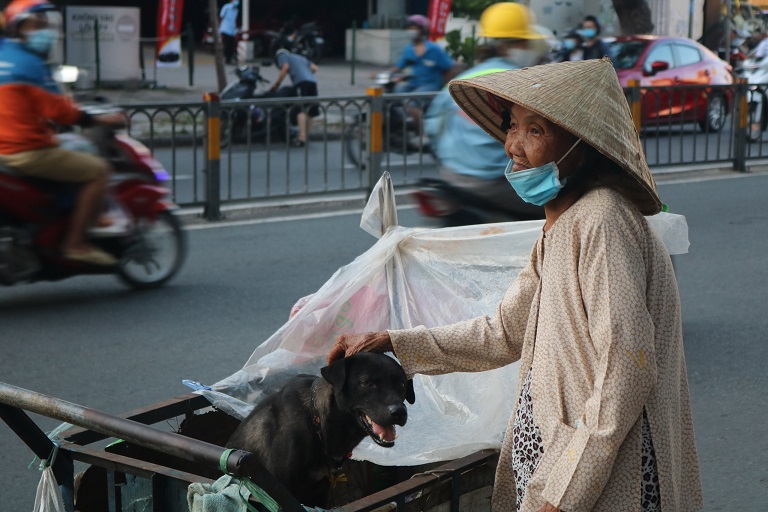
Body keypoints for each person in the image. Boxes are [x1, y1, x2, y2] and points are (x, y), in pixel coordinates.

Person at [329, 58, 703, 512]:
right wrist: (392, 341)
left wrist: (563, 497)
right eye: (512, 126)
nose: (513, 145)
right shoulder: (560, 229)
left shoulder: (602, 222)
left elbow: (627, 371)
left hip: (597, 482)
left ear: (582, 145)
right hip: (559, 467)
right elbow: (504, 333)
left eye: (536, 131)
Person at [0, 0, 126, 266]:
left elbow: (27, 107)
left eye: (45, 24)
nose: (45, 29)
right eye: (39, 24)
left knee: (69, 144)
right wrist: (103, 119)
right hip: (27, 151)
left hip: (6, 147)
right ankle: (76, 243)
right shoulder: (30, 64)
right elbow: (64, 113)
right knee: (98, 169)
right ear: (21, 28)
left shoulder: (5, 55)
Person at [423, 2, 548, 220]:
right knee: (558, 203)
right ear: (515, 45)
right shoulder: (519, 83)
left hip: (451, 176)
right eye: (525, 44)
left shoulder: (463, 80)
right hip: (495, 183)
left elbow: (433, 124)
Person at [270, 47, 319, 147]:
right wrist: (306, 73)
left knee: (300, 109)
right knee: (311, 110)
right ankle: (306, 136)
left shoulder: (282, 56)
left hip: (301, 83)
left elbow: (285, 68)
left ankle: (302, 137)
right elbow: (314, 68)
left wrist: (276, 84)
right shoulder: (300, 57)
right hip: (312, 82)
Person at [219, 0, 239, 65]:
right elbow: (221, 17)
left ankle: (229, 59)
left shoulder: (236, 10)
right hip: (225, 29)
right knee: (226, 45)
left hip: (232, 31)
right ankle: (225, 59)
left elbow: (234, 20)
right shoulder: (226, 7)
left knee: (231, 46)